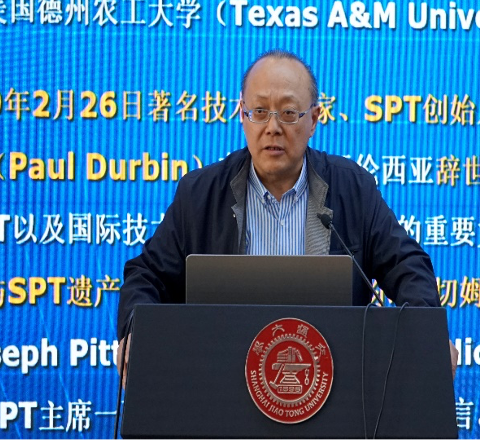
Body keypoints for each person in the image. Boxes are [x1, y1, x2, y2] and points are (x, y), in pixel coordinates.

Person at [117, 49, 458, 381]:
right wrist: (136, 333)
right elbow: (147, 274)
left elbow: (407, 265)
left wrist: (426, 332)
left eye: (289, 113)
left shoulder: (353, 188)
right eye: (259, 111)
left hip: (333, 383)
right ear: (242, 115)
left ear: (314, 120)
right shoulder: (200, 194)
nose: (273, 127)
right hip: (221, 382)